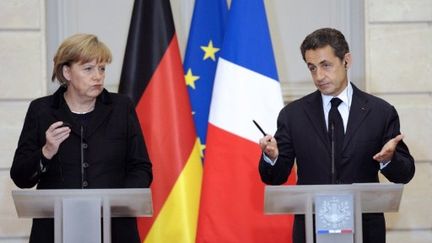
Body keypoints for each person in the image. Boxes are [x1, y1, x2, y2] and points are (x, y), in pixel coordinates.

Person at [258, 28, 415, 243]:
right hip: (311, 233)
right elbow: (273, 177)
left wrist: (389, 160)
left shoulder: (380, 112)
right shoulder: (293, 115)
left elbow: (405, 173)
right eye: (312, 68)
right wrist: (272, 157)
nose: (319, 76)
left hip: (365, 232)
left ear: (346, 61)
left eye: (326, 65)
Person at [10, 33, 152, 243]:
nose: (98, 76)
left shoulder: (122, 108)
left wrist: (117, 201)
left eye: (102, 69)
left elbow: (141, 168)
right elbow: (21, 177)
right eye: (88, 69)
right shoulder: (41, 111)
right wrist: (47, 151)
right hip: (55, 230)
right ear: (67, 72)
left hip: (114, 229)